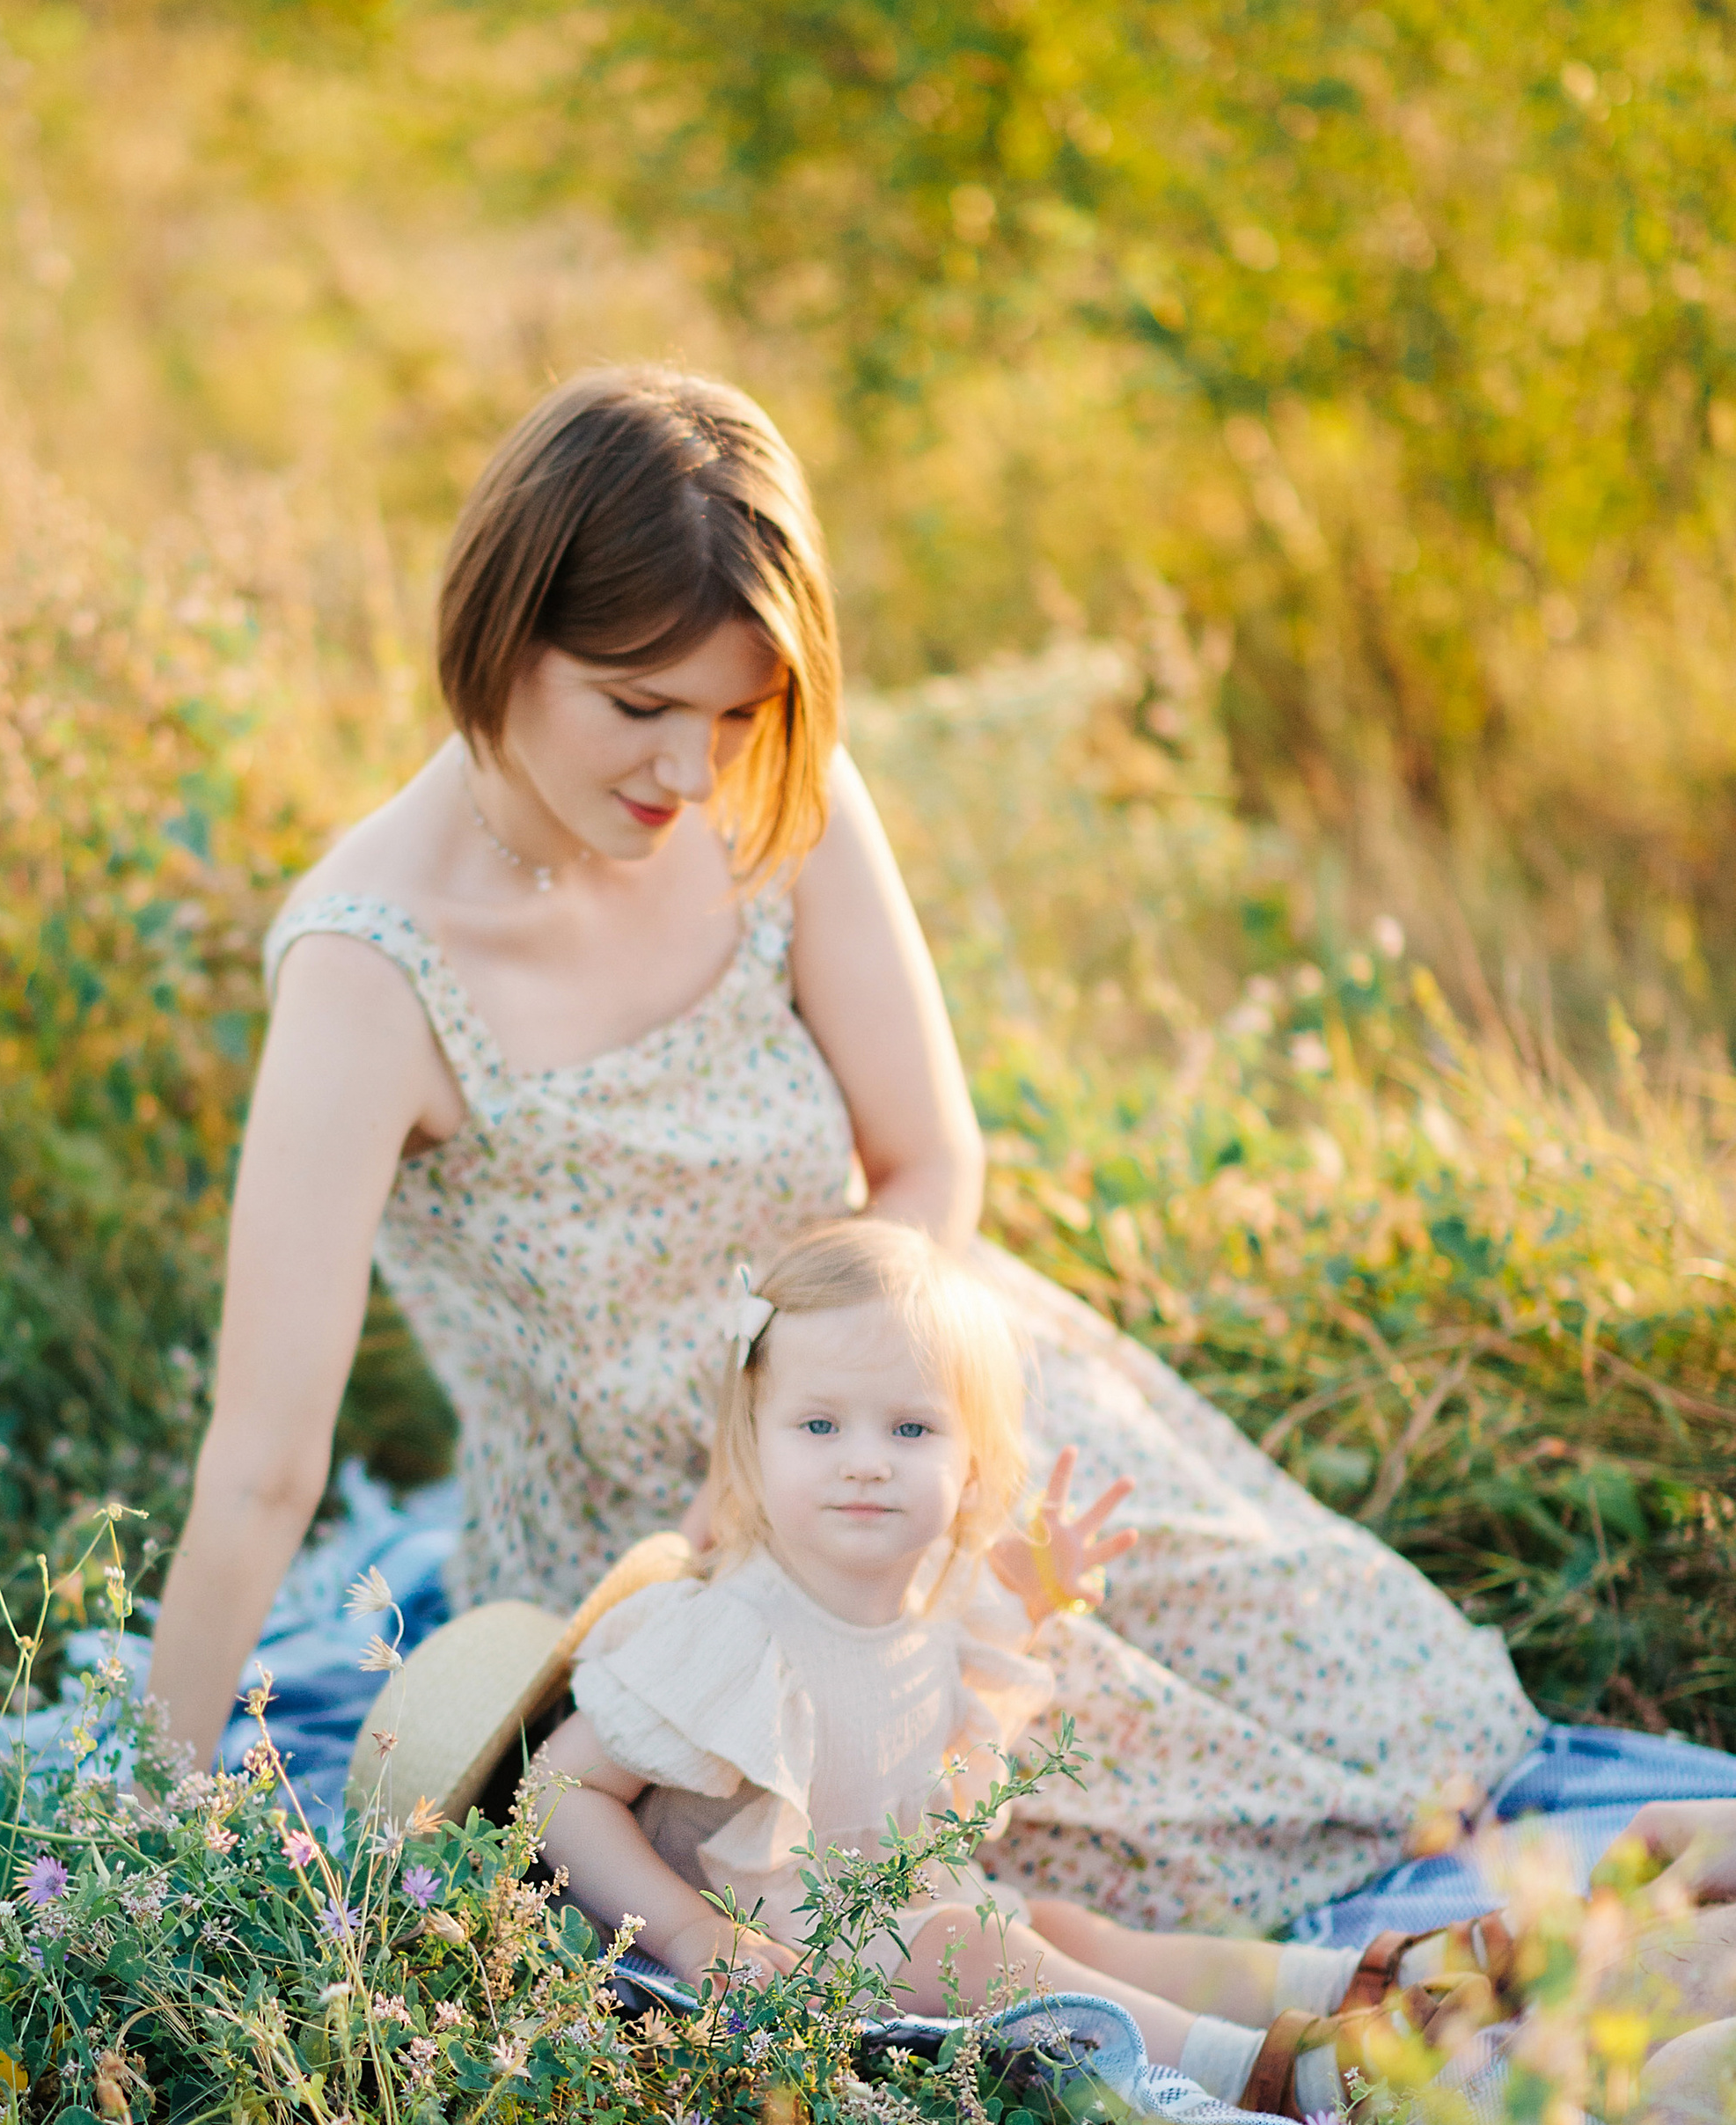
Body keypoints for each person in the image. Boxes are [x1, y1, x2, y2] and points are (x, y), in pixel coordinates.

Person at [144, 363, 1564, 1931]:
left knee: (1386, 1700)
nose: (690, 774)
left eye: (737, 712)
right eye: (638, 707)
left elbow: (930, 1164)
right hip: (678, 1553)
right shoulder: (368, 970)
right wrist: (152, 1816)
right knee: (1040, 1840)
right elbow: (264, 1465)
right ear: (503, 635)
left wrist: (886, 1428)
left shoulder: (780, 791)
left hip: (917, 1395)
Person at [529, 1218, 1570, 2121]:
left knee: (1067, 1932)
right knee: (990, 1952)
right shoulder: (729, 1628)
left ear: (972, 1463)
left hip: (876, 1919)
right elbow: (557, 1789)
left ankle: (1372, 1977)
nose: (864, 1458)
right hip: (746, 1965)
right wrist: (691, 1933)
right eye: (818, 1424)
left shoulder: (933, 1594)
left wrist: (1028, 1597)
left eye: (910, 1427)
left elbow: (903, 1697)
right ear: (751, 1443)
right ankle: (1271, 2075)